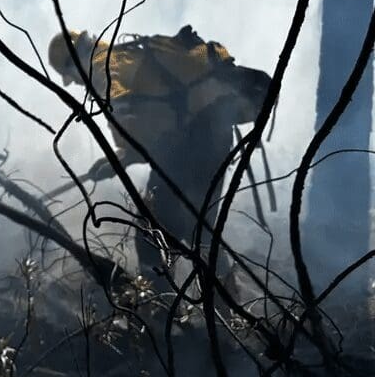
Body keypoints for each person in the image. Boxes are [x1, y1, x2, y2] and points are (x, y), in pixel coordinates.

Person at [47, 26, 272, 280]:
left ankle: (158, 311)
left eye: (72, 77)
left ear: (73, 65)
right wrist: (119, 160)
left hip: (192, 144)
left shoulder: (100, 67)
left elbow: (124, 111)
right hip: (212, 136)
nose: (77, 83)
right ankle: (225, 311)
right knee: (202, 232)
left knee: (151, 236)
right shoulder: (124, 54)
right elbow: (156, 124)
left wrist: (122, 153)